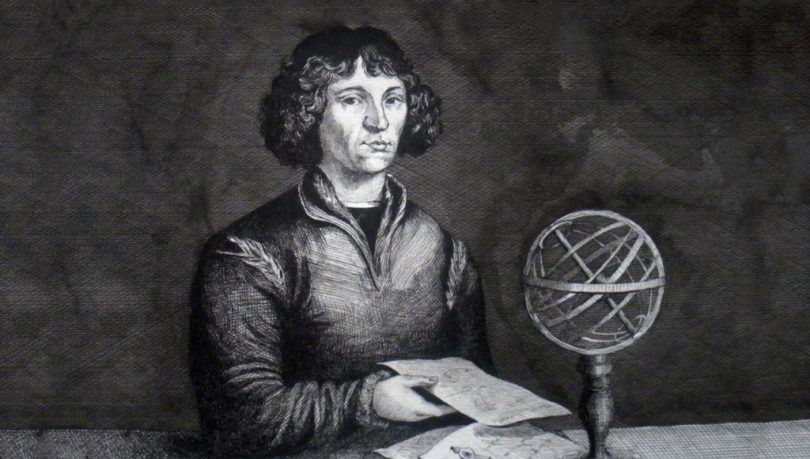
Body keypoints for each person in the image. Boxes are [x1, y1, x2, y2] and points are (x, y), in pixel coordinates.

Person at [189, 26, 494, 456]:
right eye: (352, 100)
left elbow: (481, 394)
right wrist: (368, 401)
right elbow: (239, 422)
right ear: (308, 112)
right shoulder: (246, 252)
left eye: (392, 99)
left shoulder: (444, 249)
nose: (379, 121)